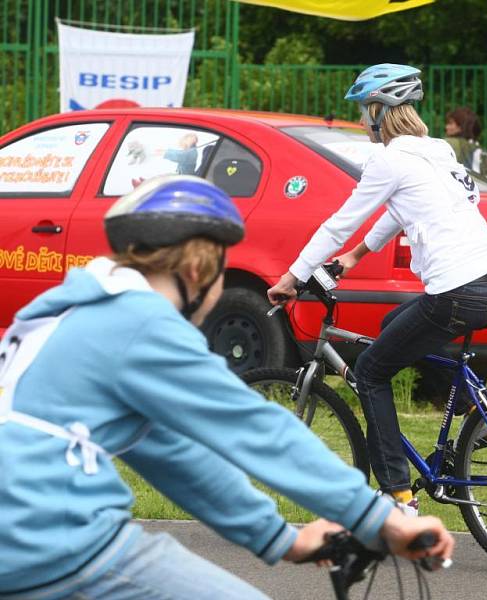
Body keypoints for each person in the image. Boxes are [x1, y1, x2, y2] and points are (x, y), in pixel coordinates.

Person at [0, 175, 453, 599]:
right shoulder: (139, 322)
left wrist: (282, 539)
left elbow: (175, 456)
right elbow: (258, 430)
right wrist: (378, 518)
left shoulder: (64, 316)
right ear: (200, 268)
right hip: (48, 532)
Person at [267, 64, 487, 514]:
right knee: (390, 323)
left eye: (365, 111)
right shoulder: (436, 150)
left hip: (457, 291)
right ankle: (478, 415)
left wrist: (293, 276)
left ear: (381, 111)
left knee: (371, 373)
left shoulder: (389, 158)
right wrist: (358, 255)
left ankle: (398, 496)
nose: (363, 122)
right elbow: (404, 208)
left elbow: (340, 220)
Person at [444, 106, 487, 180]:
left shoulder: (448, 144)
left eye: (451, 123)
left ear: (461, 126)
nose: (446, 127)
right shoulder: (483, 153)